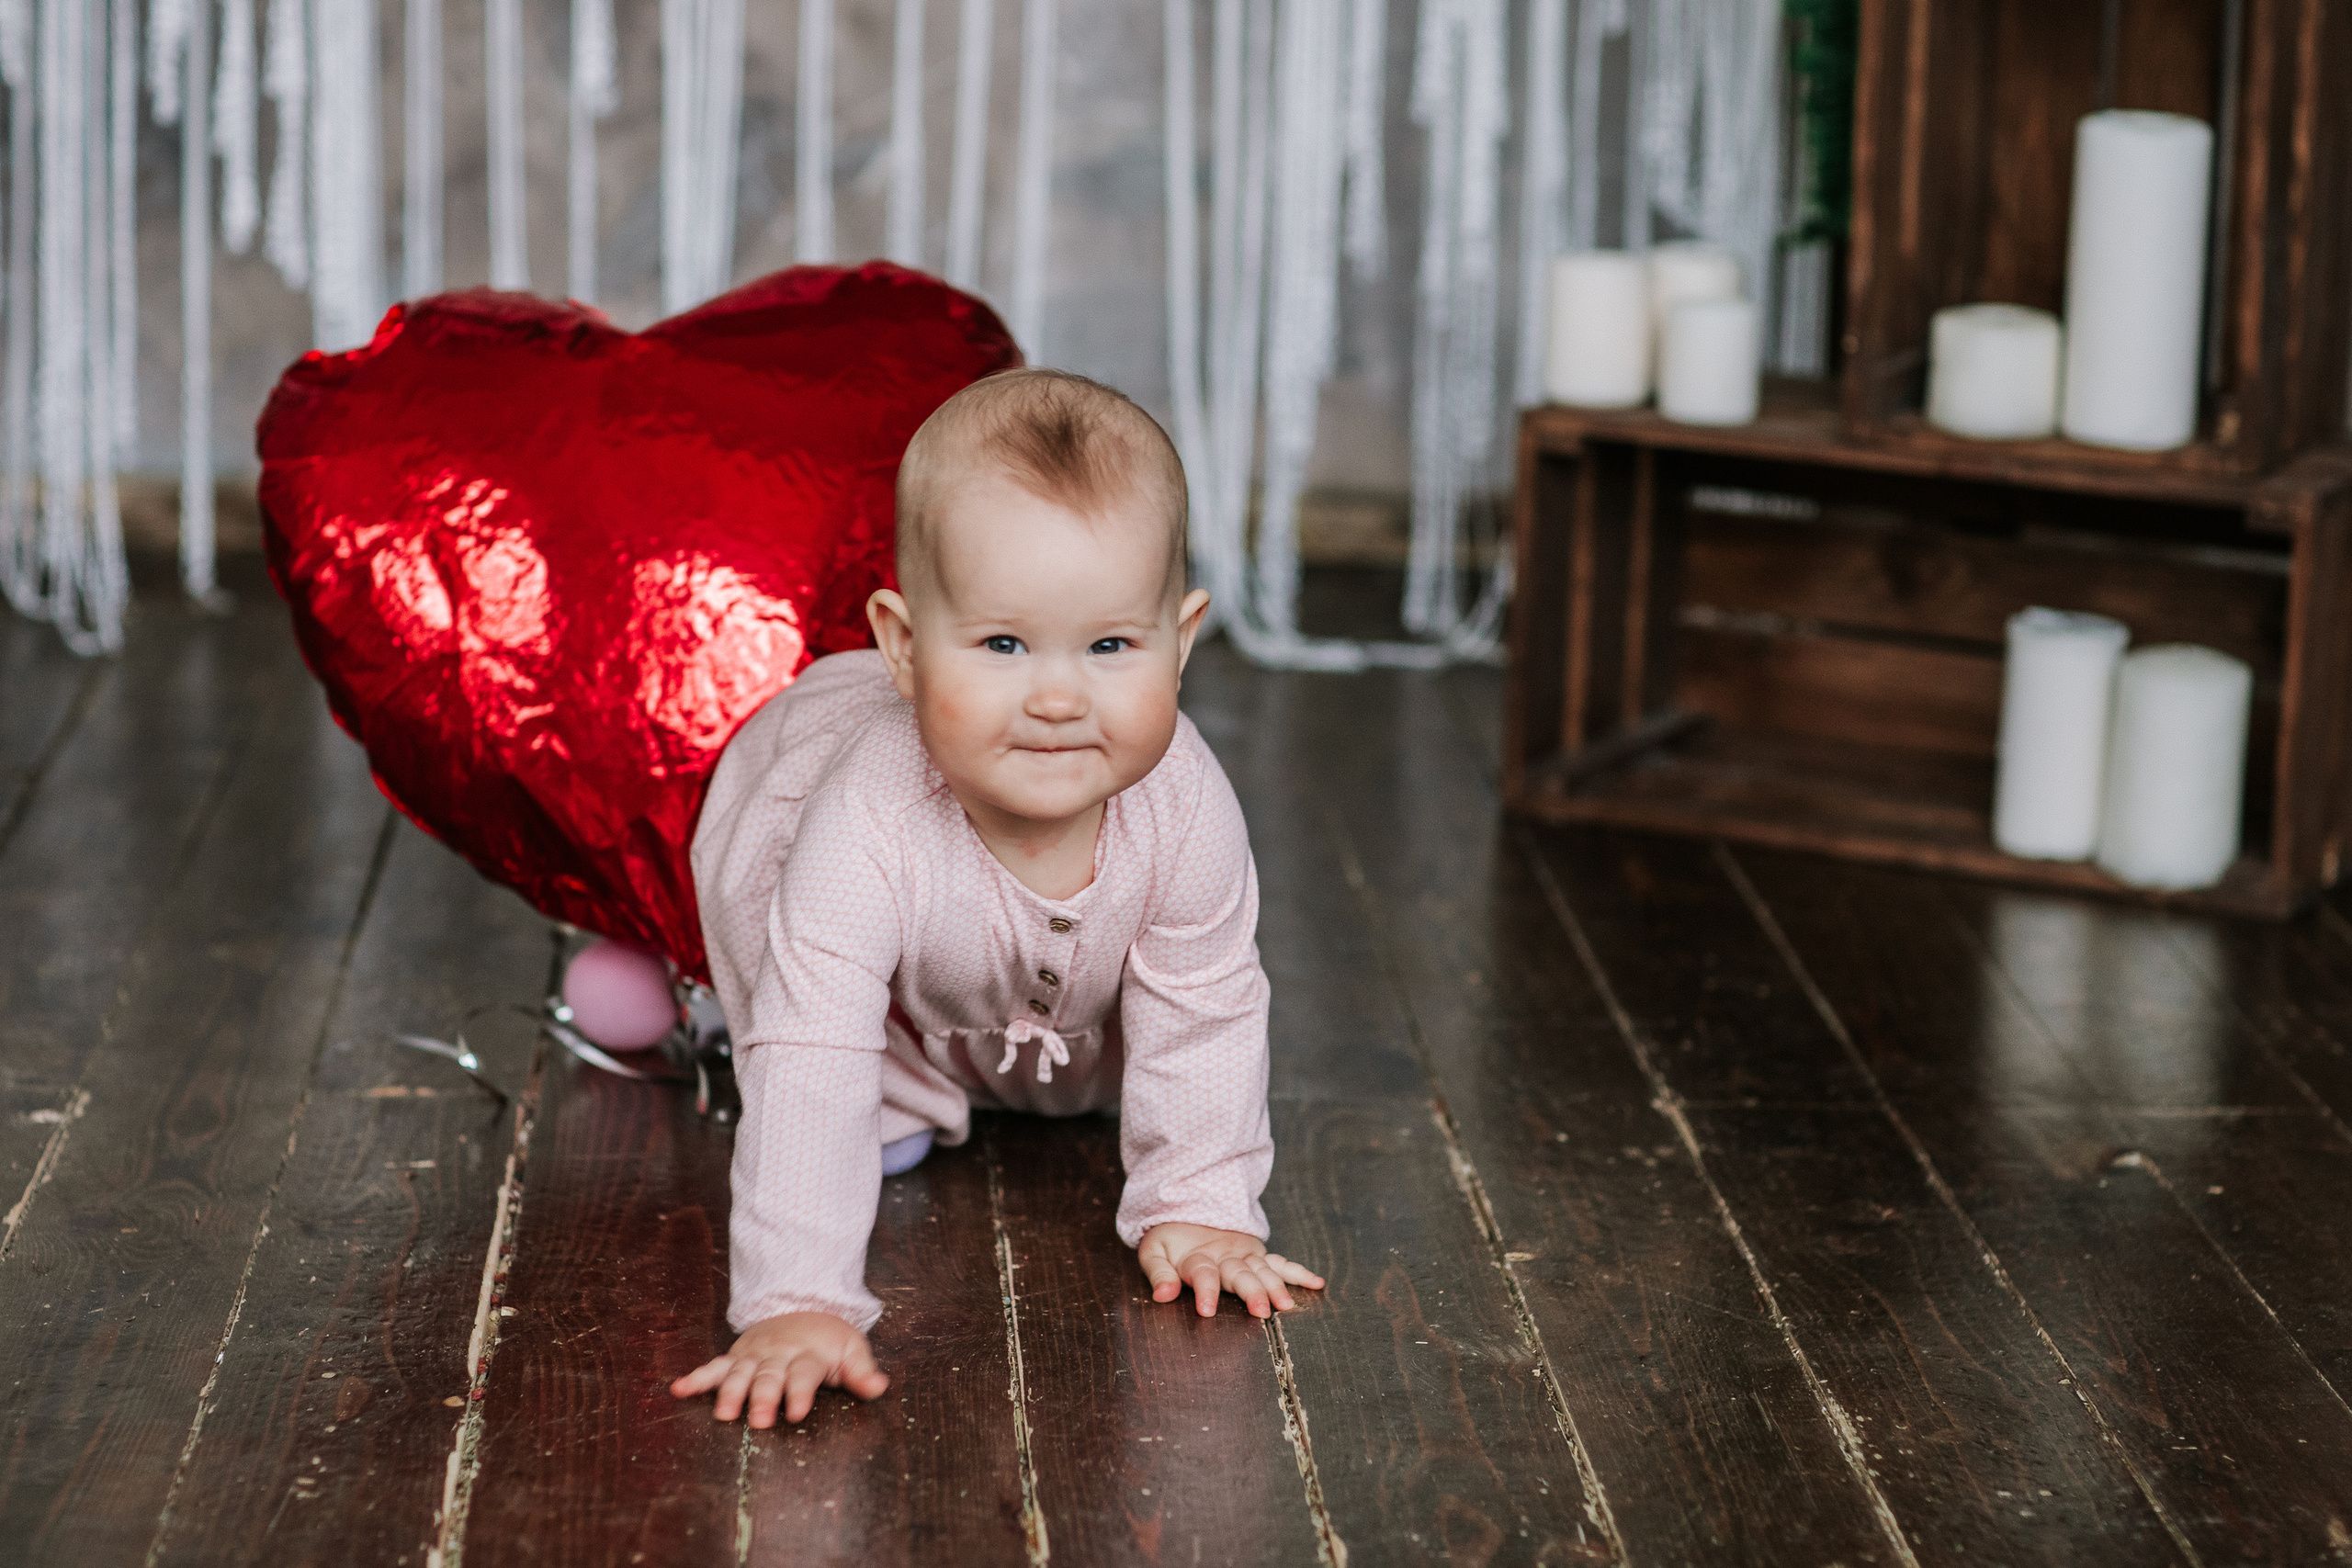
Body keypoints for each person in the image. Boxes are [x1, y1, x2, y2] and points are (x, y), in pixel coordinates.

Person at [668, 367, 1322, 1430]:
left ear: (1183, 639)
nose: (1060, 698)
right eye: (1003, 644)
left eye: (1111, 646)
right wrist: (795, 1301)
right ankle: (753, 1019)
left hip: (1041, 994)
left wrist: (1201, 1207)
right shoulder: (859, 821)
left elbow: (1205, 1007)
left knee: (1109, 1074)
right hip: (814, 923)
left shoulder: (1187, 807)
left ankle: (973, 1067)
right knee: (811, 1024)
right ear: (905, 645)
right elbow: (808, 1044)